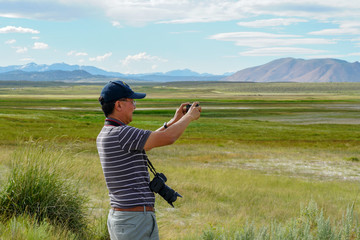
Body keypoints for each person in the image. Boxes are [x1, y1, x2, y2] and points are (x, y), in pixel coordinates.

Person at [96, 80, 201, 240]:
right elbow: (169, 138)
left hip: (128, 220)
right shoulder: (121, 133)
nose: (135, 106)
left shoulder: (108, 133)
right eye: (132, 101)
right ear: (118, 105)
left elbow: (149, 142)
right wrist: (189, 117)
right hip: (134, 222)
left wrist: (174, 120)